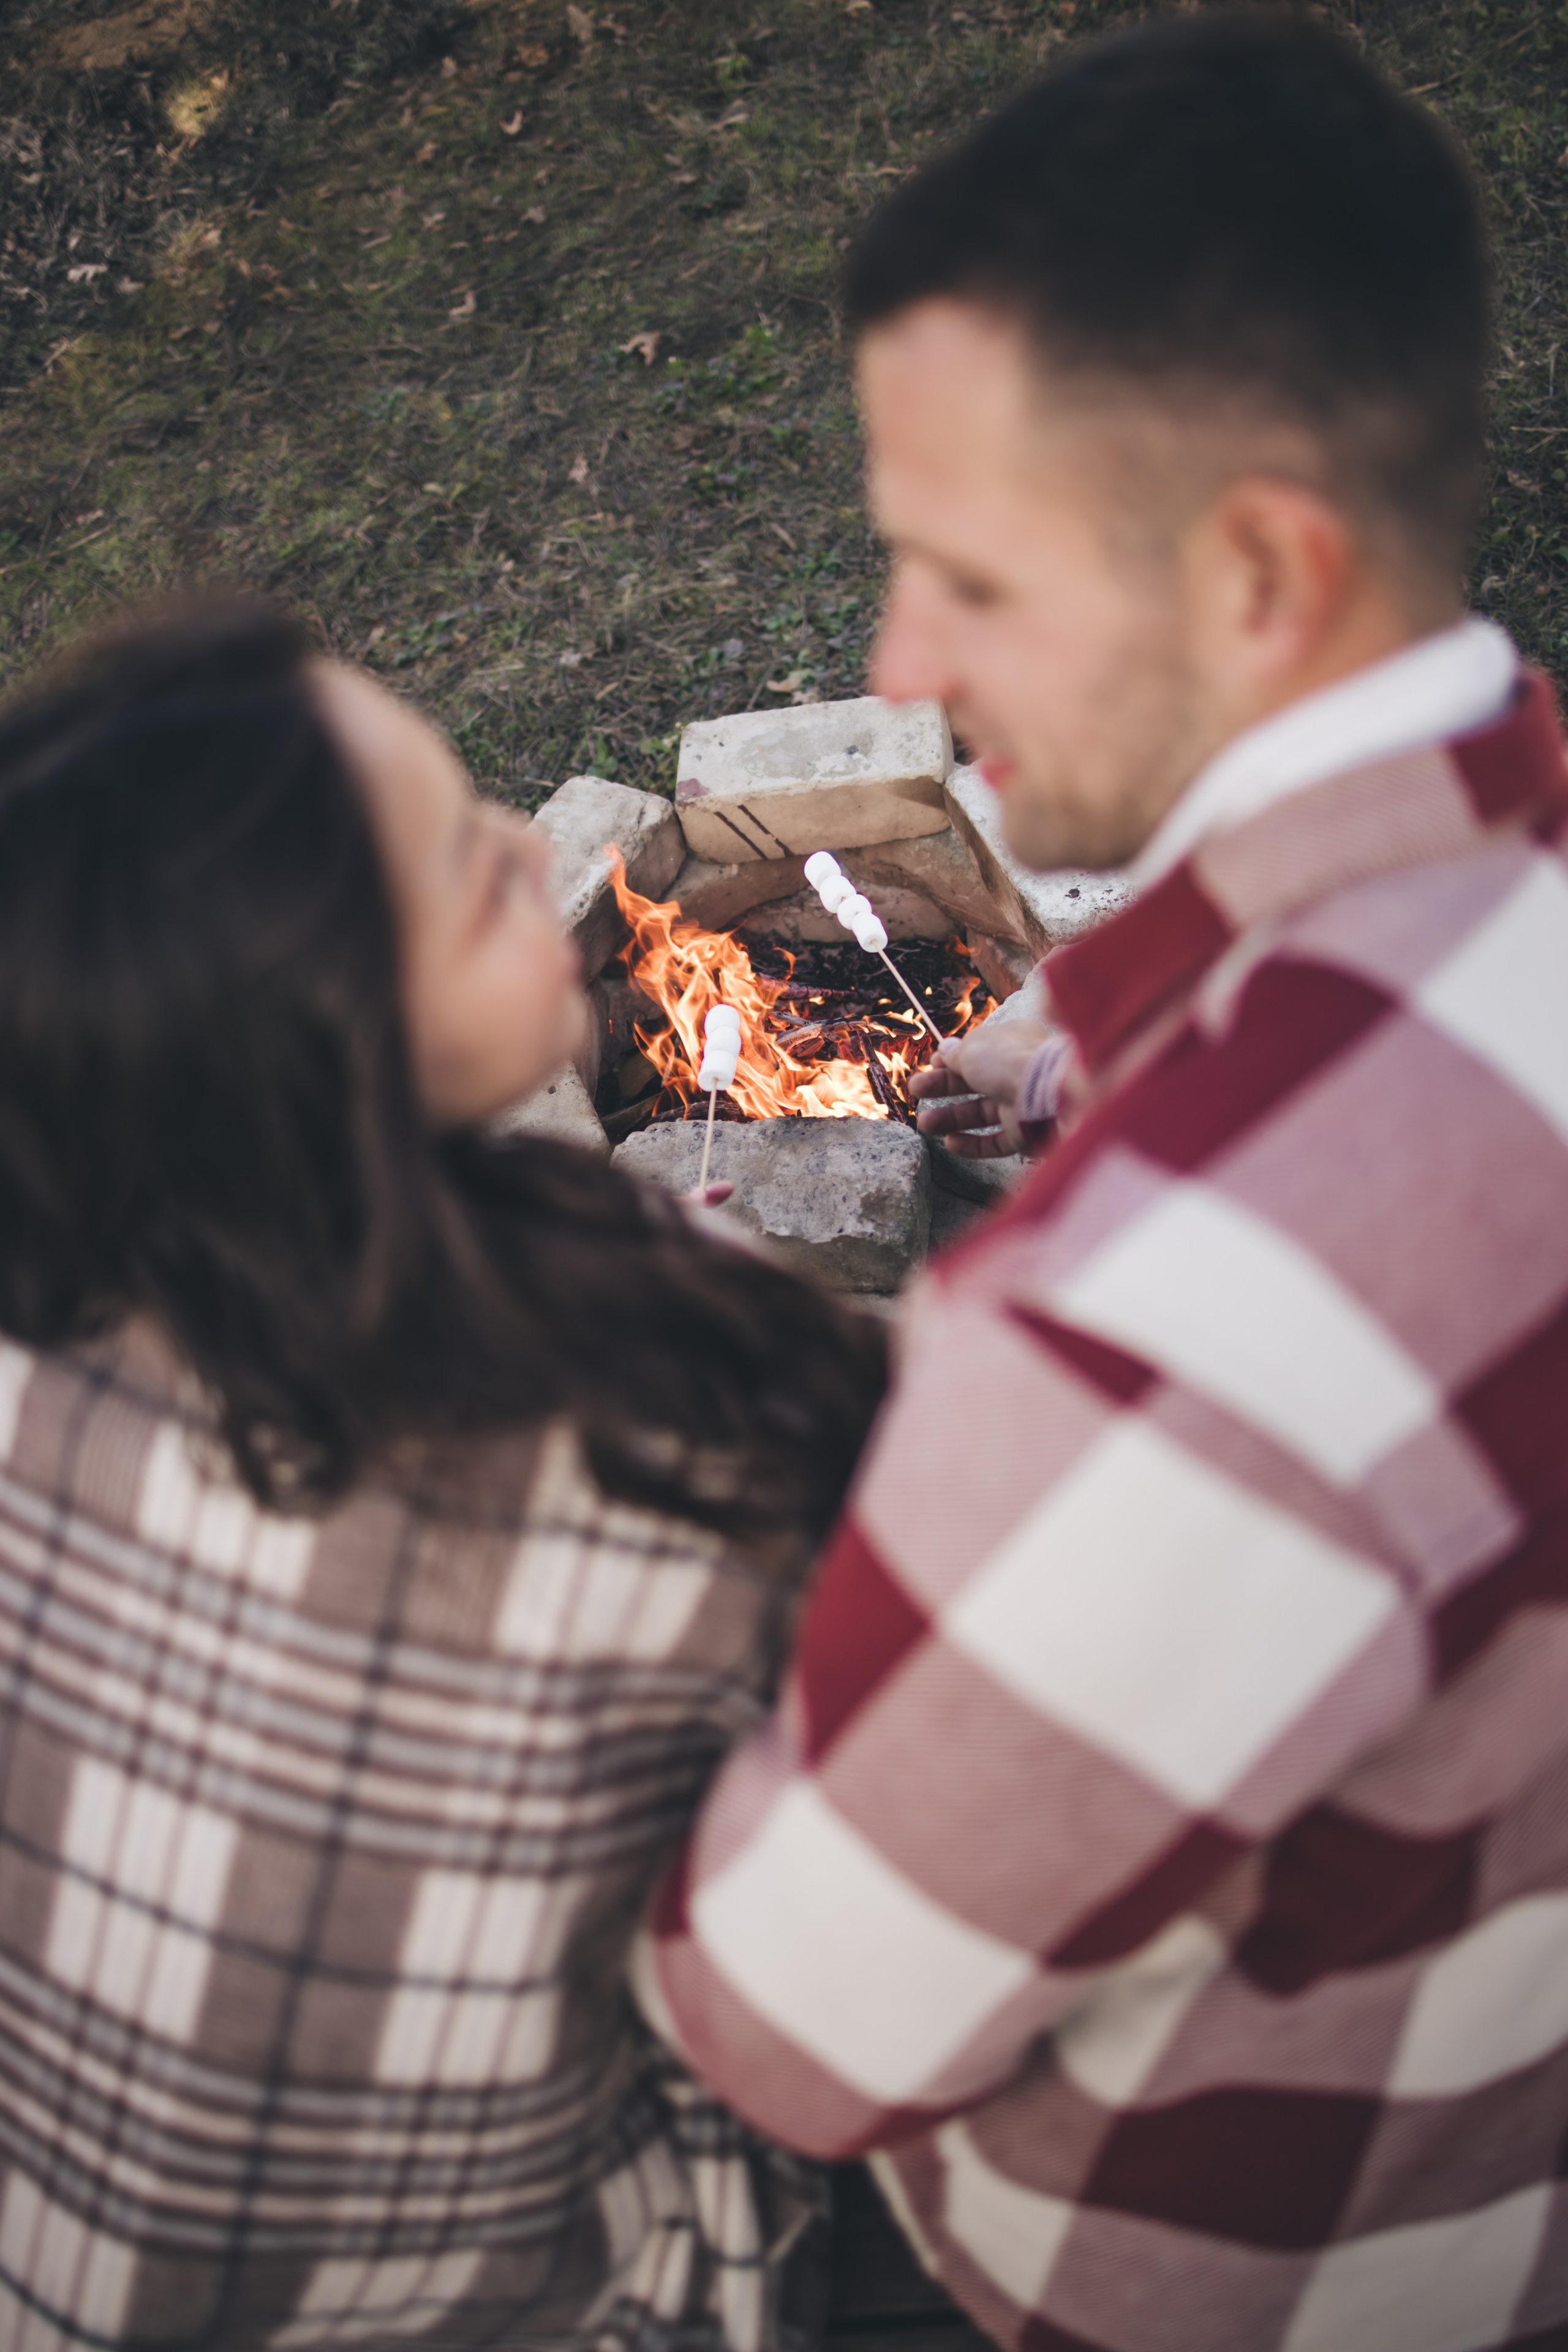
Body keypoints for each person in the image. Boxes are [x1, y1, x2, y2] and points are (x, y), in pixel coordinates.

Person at [635, 16, 1568, 2352]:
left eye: (966, 578)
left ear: (1260, 570)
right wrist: (1099, 1070)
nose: (900, 668)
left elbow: (793, 2029)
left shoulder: (1166, 1335)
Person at [0, 601, 886, 2351]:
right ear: (310, 1047)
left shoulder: (41, 1343)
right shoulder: (658, 1431)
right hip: (524, 2300)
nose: (518, 846)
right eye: (467, 873)